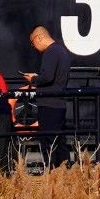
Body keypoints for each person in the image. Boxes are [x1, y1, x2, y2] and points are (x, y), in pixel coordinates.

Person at [23, 25, 74, 169]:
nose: (33, 47)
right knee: (60, 142)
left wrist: (33, 79)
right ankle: (65, 172)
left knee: (48, 142)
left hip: (49, 103)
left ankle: (52, 172)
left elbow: (47, 76)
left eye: (33, 43)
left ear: (39, 37)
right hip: (58, 103)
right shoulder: (61, 51)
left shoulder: (50, 52)